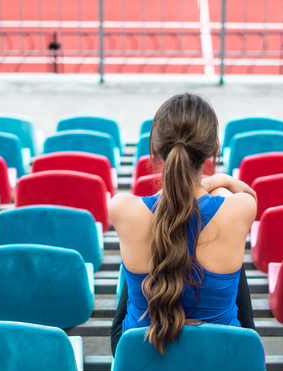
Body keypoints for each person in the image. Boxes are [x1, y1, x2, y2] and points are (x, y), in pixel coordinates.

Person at [109, 93, 257, 356]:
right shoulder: (241, 207)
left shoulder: (122, 209)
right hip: (222, 364)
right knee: (234, 255)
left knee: (131, 266)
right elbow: (231, 196)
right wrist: (217, 182)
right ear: (214, 150)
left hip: (138, 366)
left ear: (154, 151)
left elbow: (175, 203)